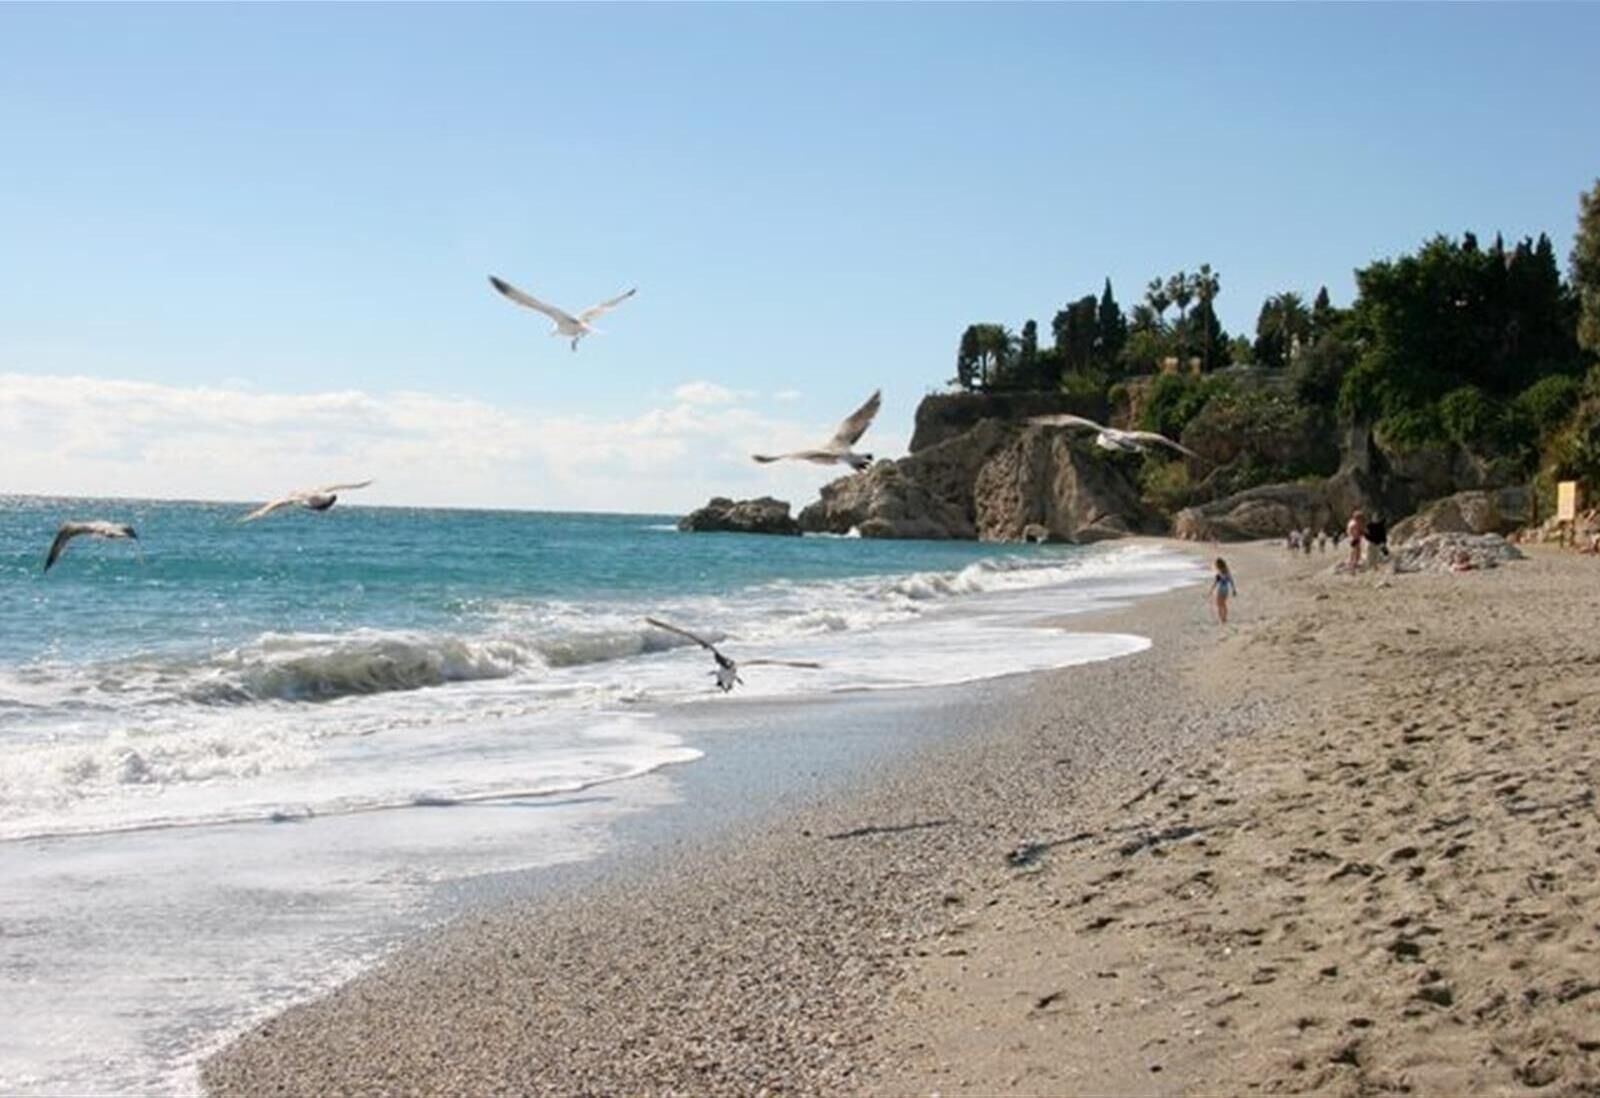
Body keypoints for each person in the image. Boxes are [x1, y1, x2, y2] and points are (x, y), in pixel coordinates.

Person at [1209, 558, 1237, 624]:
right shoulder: (1227, 572)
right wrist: (1233, 589)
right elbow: (1231, 581)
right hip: (1226, 589)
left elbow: (1215, 583)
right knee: (1224, 604)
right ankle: (1224, 618)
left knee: (1219, 604)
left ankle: (1222, 618)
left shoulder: (1219, 573)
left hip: (1221, 589)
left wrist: (1211, 590)